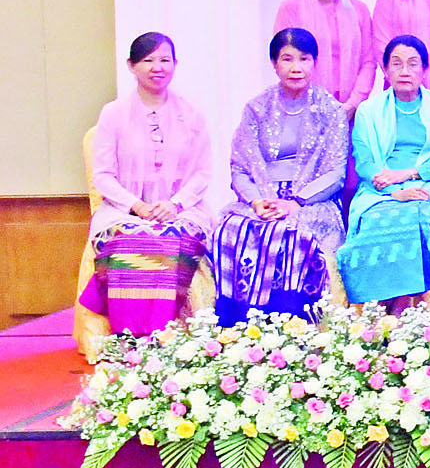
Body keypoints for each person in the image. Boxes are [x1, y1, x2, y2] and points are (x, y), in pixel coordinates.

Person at [78, 33, 220, 336]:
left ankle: (168, 335)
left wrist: (174, 205)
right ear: (131, 65)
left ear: (175, 64)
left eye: (165, 60)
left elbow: (203, 172)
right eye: (148, 60)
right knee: (129, 240)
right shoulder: (113, 114)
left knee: (174, 239)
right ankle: (129, 336)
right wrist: (137, 206)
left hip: (181, 209)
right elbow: (103, 175)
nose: (158, 67)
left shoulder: (191, 113)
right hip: (123, 210)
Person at [212, 29, 348, 324]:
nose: (296, 67)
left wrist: (297, 202)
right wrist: (257, 201)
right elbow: (239, 167)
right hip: (262, 198)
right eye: (287, 59)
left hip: (311, 201)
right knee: (231, 231)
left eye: (304, 59)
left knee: (292, 233)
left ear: (314, 63)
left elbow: (336, 172)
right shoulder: (256, 108)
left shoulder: (330, 110)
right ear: (274, 64)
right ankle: (238, 325)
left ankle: (293, 323)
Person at [336, 37, 430, 309]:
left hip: (426, 186)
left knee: (417, 218)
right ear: (385, 70)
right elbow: (364, 162)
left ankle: (400, 305)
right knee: (373, 222)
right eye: (396, 64)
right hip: (379, 190)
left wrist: (410, 174)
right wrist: (394, 191)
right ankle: (374, 307)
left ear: (425, 70)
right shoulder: (368, 111)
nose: (404, 71)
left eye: (412, 64)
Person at [271, 0, 376, 113]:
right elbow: (285, 60)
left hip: (352, 109)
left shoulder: (359, 10)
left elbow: (368, 62)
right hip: (304, 109)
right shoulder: (291, 8)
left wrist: (353, 104)